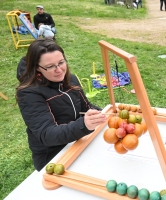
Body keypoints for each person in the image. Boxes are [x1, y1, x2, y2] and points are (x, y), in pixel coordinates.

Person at [16, 39, 107, 171]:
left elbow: (85, 107)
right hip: (52, 155)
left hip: (78, 141)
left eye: (61, 62)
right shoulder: (28, 93)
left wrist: (101, 113)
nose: (59, 70)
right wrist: (84, 125)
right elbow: (47, 134)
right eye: (50, 66)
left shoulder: (71, 79)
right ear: (37, 68)